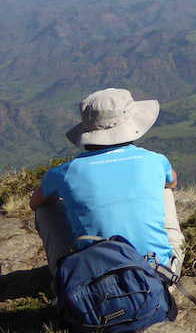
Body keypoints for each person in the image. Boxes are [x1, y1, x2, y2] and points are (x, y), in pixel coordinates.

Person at [29, 87, 185, 277]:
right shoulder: (155, 160)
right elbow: (172, 183)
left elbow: (35, 203)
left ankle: (64, 273)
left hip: (94, 289)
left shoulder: (64, 172)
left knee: (45, 211)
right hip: (158, 281)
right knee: (164, 190)